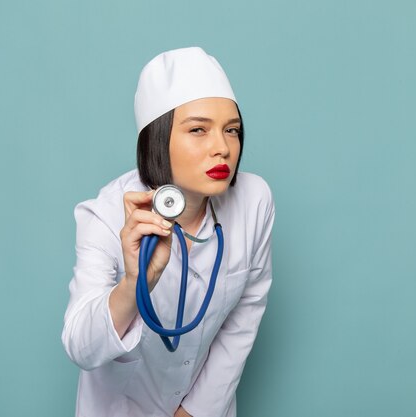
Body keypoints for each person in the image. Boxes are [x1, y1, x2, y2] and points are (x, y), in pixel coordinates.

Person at [62, 46, 275, 417]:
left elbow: (247, 310)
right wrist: (135, 282)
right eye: (198, 130)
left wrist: (196, 409)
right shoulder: (107, 214)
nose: (222, 148)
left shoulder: (254, 200)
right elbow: (81, 347)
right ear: (158, 138)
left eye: (232, 130)